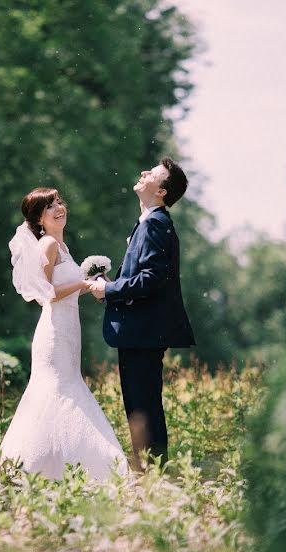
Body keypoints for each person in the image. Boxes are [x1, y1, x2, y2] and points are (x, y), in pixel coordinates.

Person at [0, 188, 128, 480]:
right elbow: (49, 294)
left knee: (67, 388)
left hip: (70, 330)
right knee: (56, 391)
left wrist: (94, 284)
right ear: (40, 219)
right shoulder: (47, 245)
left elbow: (66, 291)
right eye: (49, 206)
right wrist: (83, 284)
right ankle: (44, 470)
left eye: (59, 202)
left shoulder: (63, 247)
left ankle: (60, 469)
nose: (59, 208)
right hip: (54, 332)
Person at [88, 158, 195, 470]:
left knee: (143, 407)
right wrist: (110, 285)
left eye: (153, 174)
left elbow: (152, 279)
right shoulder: (149, 221)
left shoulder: (156, 223)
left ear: (161, 191)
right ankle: (148, 474)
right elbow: (145, 277)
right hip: (143, 331)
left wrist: (109, 291)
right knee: (142, 404)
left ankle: (150, 477)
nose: (145, 173)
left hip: (144, 333)